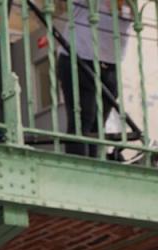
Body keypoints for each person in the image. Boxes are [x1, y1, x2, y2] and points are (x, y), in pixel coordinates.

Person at [54, 0, 133, 157]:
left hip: (109, 65)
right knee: (83, 120)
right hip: (79, 58)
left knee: (97, 125)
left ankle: (94, 165)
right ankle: (81, 169)